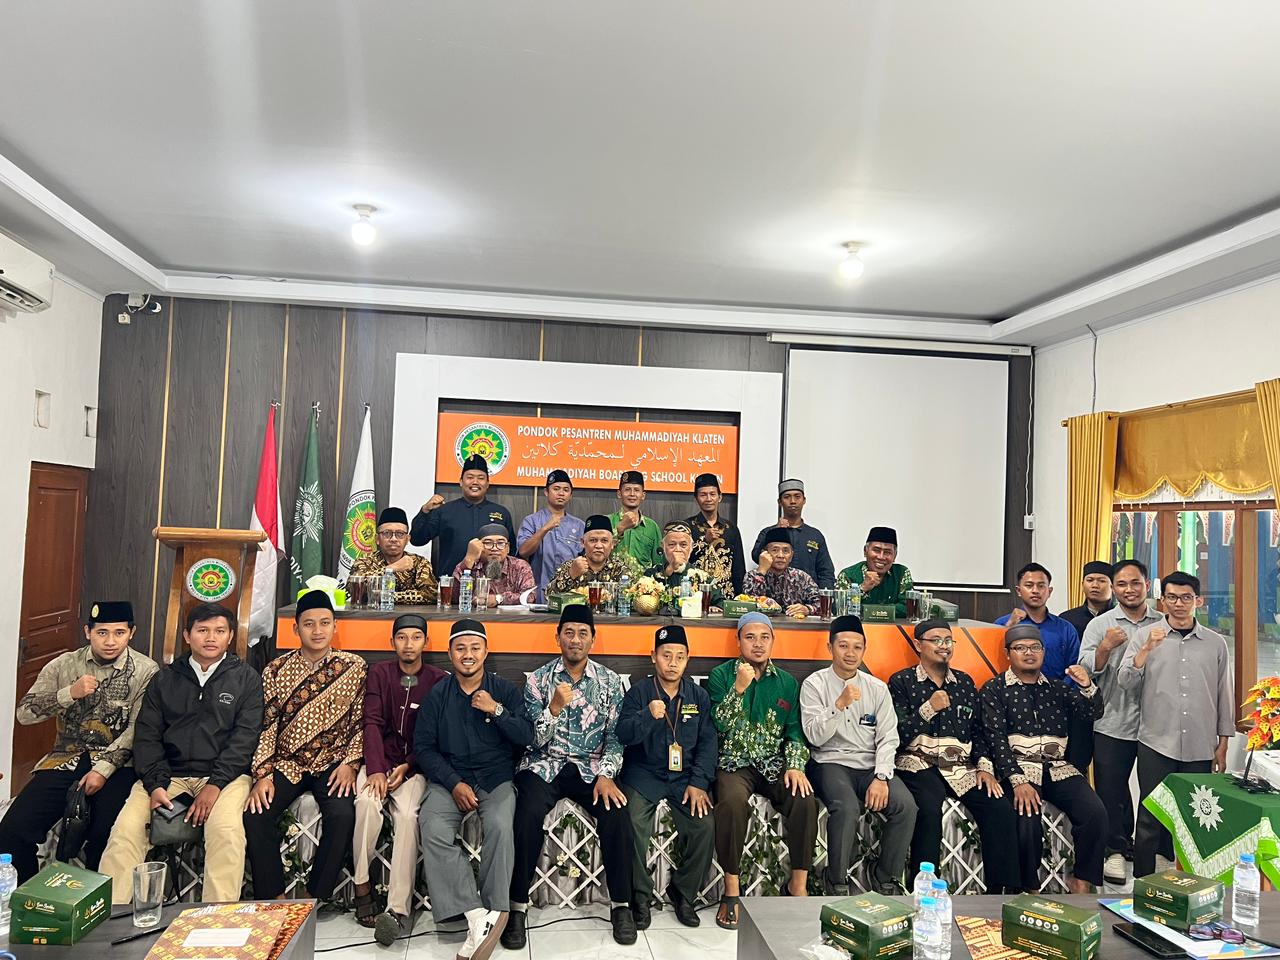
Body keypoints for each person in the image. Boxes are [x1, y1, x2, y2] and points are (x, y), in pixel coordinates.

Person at [99, 603, 262, 904]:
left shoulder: (246, 679)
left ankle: (216, 918)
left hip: (225, 778)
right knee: (125, 831)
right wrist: (155, 784)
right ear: (187, 636)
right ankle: (110, 918)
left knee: (226, 833)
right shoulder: (165, 679)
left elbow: (244, 739)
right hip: (168, 776)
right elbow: (147, 736)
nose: (210, 638)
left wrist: (215, 785)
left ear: (230, 636)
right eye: (202, 630)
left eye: (219, 631)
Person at [502, 606, 636, 949]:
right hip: (544, 764)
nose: (575, 640)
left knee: (617, 812)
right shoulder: (538, 680)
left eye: (582, 633)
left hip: (591, 767)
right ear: (558, 637)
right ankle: (516, 907)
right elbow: (533, 739)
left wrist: (606, 775)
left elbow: (616, 737)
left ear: (592, 639)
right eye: (569, 633)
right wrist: (554, 708)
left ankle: (621, 905)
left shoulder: (610, 682)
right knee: (526, 813)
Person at [0, 600, 158, 881]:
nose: (110, 641)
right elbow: (25, 714)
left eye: (119, 633)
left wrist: (102, 770)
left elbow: (137, 729)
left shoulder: (146, 670)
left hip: (117, 767)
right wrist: (69, 694)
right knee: (13, 829)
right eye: (102, 633)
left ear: (132, 633)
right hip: (64, 760)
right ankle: (28, 896)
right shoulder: (63, 665)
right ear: (88, 631)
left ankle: (96, 902)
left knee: (105, 834)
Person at [417, 620, 534, 960]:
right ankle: (475, 914)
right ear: (450, 653)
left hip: (495, 778)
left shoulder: (504, 691)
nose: (467, 655)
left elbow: (527, 736)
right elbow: (423, 748)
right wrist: (453, 783)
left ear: (485, 652)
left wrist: (496, 710)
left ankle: (497, 910)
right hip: (450, 779)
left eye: (474, 648)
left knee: (500, 825)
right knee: (432, 827)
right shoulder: (438, 694)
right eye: (460, 648)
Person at [243, 590, 366, 902]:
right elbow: (267, 725)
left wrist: (351, 764)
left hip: (332, 763)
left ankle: (313, 898)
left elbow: (360, 721)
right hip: (288, 764)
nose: (318, 630)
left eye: (325, 623)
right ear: (295, 628)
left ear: (335, 626)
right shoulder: (275, 670)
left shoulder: (353, 667)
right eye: (309, 624)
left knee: (342, 816)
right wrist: (263, 775)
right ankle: (274, 898)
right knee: (257, 814)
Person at [888, 620, 1019, 893]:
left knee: (999, 806)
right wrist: (928, 708)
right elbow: (896, 734)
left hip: (961, 767)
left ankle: (1002, 891)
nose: (943, 646)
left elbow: (979, 731)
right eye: (936, 640)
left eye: (948, 640)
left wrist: (984, 768)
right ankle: (925, 891)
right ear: (918, 645)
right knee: (928, 806)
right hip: (917, 763)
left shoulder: (964, 683)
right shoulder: (901, 681)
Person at [1119, 571, 1235, 878]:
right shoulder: (1146, 636)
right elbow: (1125, 681)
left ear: (1198, 601)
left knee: (1198, 817)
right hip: (1156, 741)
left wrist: (1223, 744)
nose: (1179, 604)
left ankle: (1196, 884)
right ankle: (1143, 883)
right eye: (1172, 597)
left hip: (1201, 746)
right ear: (1163, 600)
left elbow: (1224, 694)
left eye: (1186, 598)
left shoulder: (1215, 643)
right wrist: (1146, 650)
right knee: (1149, 817)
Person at [708, 613, 817, 930]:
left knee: (804, 799)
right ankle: (732, 888)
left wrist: (795, 765)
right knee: (731, 802)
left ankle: (797, 886)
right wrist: (738, 689)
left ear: (773, 641)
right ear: (738, 641)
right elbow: (718, 725)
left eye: (764, 637)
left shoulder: (787, 682)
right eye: (750, 637)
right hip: (734, 761)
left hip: (772, 763)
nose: (758, 644)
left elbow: (794, 732)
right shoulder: (721, 675)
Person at [981, 624, 1106, 893]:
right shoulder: (995, 689)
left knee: (1095, 812)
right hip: (1018, 768)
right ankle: (1029, 889)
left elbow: (1092, 713)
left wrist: (1086, 685)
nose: (1029, 653)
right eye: (1021, 648)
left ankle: (1082, 880)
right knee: (1026, 817)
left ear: (1044, 652)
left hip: (1058, 768)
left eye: (1035, 647)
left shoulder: (1057, 688)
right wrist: (1017, 781)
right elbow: (994, 738)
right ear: (1008, 653)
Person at [801, 615, 916, 896]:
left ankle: (884, 875)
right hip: (829, 762)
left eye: (857, 647)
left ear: (864, 650)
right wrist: (838, 705)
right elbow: (814, 737)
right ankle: (836, 880)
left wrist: (882, 776)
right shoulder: (814, 685)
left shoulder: (876, 688)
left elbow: (888, 736)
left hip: (869, 765)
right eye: (843, 646)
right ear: (830, 648)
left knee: (906, 806)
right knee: (846, 807)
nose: (850, 653)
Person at [352, 614, 448, 944]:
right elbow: (372, 723)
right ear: (392, 642)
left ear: (426, 642)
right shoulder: (379, 673)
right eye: (402, 637)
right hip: (379, 762)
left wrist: (407, 766)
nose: (409, 644)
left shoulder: (437, 680)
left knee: (408, 816)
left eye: (416, 637)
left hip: (414, 768)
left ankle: (397, 909)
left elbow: (433, 735)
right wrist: (376, 770)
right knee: (366, 803)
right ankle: (361, 884)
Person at [617, 625, 717, 930]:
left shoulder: (698, 696)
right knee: (632, 822)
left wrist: (699, 782)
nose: (672, 663)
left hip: (684, 777)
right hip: (644, 774)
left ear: (688, 659)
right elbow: (623, 734)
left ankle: (683, 893)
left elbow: (708, 743)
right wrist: (647, 715)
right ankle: (640, 896)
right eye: (666, 655)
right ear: (653, 657)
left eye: (679, 657)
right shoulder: (639, 692)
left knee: (704, 826)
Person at [1077, 558, 1162, 883]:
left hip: (1157, 725)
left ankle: (1153, 854)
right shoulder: (1102, 625)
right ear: (1114, 588)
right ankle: (1113, 851)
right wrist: (1105, 647)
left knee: (1155, 793)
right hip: (1112, 721)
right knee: (1110, 792)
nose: (1129, 590)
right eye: (1122, 584)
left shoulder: (1163, 622)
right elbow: (1085, 670)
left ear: (1147, 585)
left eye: (1135, 583)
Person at [410, 454, 516, 578]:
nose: (475, 482)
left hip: (490, 582)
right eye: (470, 477)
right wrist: (424, 511)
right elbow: (417, 540)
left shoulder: (501, 513)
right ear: (461, 482)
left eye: (481, 478)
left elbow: (511, 551)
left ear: (487, 484)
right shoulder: (444, 510)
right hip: (452, 581)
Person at [996, 564, 1081, 683]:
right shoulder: (1003, 624)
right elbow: (996, 662)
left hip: (1058, 692)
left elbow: (1074, 668)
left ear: (1049, 591)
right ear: (1019, 591)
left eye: (1041, 586)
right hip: (1013, 692)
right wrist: (1008, 628)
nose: (1035, 590)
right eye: (1029, 585)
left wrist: (1060, 690)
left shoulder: (1066, 629)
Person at [750, 479, 834, 589]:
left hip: (807, 596)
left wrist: (823, 597)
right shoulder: (768, 532)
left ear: (804, 500)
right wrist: (776, 531)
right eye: (787, 497)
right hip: (773, 594)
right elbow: (756, 557)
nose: (793, 501)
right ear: (780, 502)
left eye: (797, 497)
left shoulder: (815, 536)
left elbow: (826, 572)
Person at [517, 469, 586, 601]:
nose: (561, 493)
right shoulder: (532, 521)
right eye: (556, 489)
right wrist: (544, 529)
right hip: (539, 592)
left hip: (570, 592)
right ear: (546, 492)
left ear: (571, 495)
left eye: (566, 490)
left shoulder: (579, 526)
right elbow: (523, 551)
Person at [351, 507, 439, 604]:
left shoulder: (419, 563)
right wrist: (391, 568)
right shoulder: (364, 561)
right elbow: (354, 589)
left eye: (400, 534)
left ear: (407, 539)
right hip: (371, 614)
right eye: (387, 533)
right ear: (377, 539)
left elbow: (431, 594)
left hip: (409, 614)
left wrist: (388, 596)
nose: (393, 539)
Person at [545, 515, 640, 595]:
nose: (598, 546)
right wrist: (571, 574)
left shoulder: (620, 569)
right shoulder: (570, 566)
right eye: (593, 540)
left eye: (604, 541)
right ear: (583, 543)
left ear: (612, 544)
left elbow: (632, 598)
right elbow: (548, 596)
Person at [687, 473, 745, 595]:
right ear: (696, 498)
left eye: (712, 494)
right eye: (703, 495)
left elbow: (738, 568)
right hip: (695, 596)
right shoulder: (687, 527)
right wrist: (704, 541)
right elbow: (681, 561)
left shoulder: (731, 529)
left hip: (726, 597)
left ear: (720, 497)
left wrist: (740, 597)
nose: (708, 499)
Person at [643, 521, 723, 610]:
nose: (678, 549)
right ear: (663, 546)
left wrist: (715, 608)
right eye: (672, 545)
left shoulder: (702, 577)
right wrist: (670, 569)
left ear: (691, 547)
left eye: (683, 545)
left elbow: (721, 602)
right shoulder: (651, 575)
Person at [837, 527, 914, 619]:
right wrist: (862, 589)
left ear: (895, 556)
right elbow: (839, 608)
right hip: (857, 627)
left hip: (893, 627)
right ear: (865, 551)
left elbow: (909, 608)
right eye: (876, 550)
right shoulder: (847, 575)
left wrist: (869, 611)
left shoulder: (902, 573)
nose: (881, 557)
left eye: (887, 552)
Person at [452, 524, 536, 607]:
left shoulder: (519, 566)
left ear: (508, 548)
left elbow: (530, 596)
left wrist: (499, 599)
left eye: (500, 543)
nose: (494, 548)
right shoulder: (471, 564)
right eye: (488, 543)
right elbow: (453, 597)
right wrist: (469, 559)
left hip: (510, 616)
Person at [742, 527, 819, 617]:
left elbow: (821, 604)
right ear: (764, 553)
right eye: (775, 550)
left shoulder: (802, 577)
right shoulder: (751, 576)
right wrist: (761, 571)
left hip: (794, 625)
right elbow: (747, 605)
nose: (781, 555)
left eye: (786, 551)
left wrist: (807, 609)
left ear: (791, 556)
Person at [609, 470, 663, 569]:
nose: (632, 494)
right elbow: (598, 552)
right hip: (612, 577)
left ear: (643, 495)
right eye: (627, 489)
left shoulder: (652, 526)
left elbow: (658, 563)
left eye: (637, 490)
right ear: (619, 493)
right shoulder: (607, 521)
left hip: (644, 579)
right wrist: (619, 530)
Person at [1061, 561, 1115, 640]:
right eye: (1090, 580)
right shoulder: (1067, 619)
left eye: (1102, 581)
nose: (1095, 585)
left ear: (1112, 587)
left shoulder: (1120, 617)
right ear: (1082, 585)